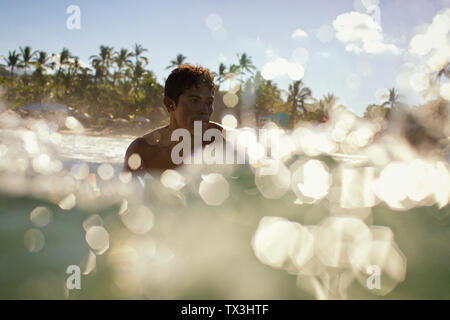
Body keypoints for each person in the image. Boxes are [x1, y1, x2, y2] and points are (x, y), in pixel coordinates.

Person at [124, 64, 224, 176]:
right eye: (194, 101)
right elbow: (127, 192)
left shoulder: (223, 142)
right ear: (170, 104)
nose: (205, 110)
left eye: (209, 102)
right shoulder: (143, 150)